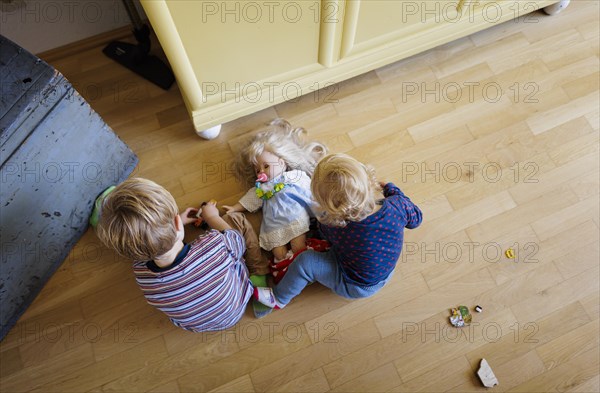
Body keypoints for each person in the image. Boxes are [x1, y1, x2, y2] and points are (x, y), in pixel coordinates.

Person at [94, 177, 270, 331]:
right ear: (178, 222)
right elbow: (236, 239)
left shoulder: (142, 275)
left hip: (200, 326)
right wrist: (211, 218)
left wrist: (166, 229)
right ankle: (259, 273)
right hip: (237, 304)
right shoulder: (215, 245)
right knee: (236, 221)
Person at [253, 153, 423, 309]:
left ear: (329, 209)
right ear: (368, 178)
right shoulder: (397, 205)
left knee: (305, 262)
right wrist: (394, 191)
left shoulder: (336, 226)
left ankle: (279, 298)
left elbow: (324, 232)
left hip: (355, 285)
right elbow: (417, 220)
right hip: (386, 270)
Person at [223, 119, 328, 273]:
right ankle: (284, 268)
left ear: (282, 162)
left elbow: (307, 189)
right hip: (273, 225)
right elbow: (250, 200)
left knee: (298, 246)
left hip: (294, 218)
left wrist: (318, 206)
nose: (262, 171)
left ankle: (301, 268)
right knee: (278, 253)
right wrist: (234, 208)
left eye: (266, 166)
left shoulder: (293, 176)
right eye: (257, 170)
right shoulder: (261, 189)